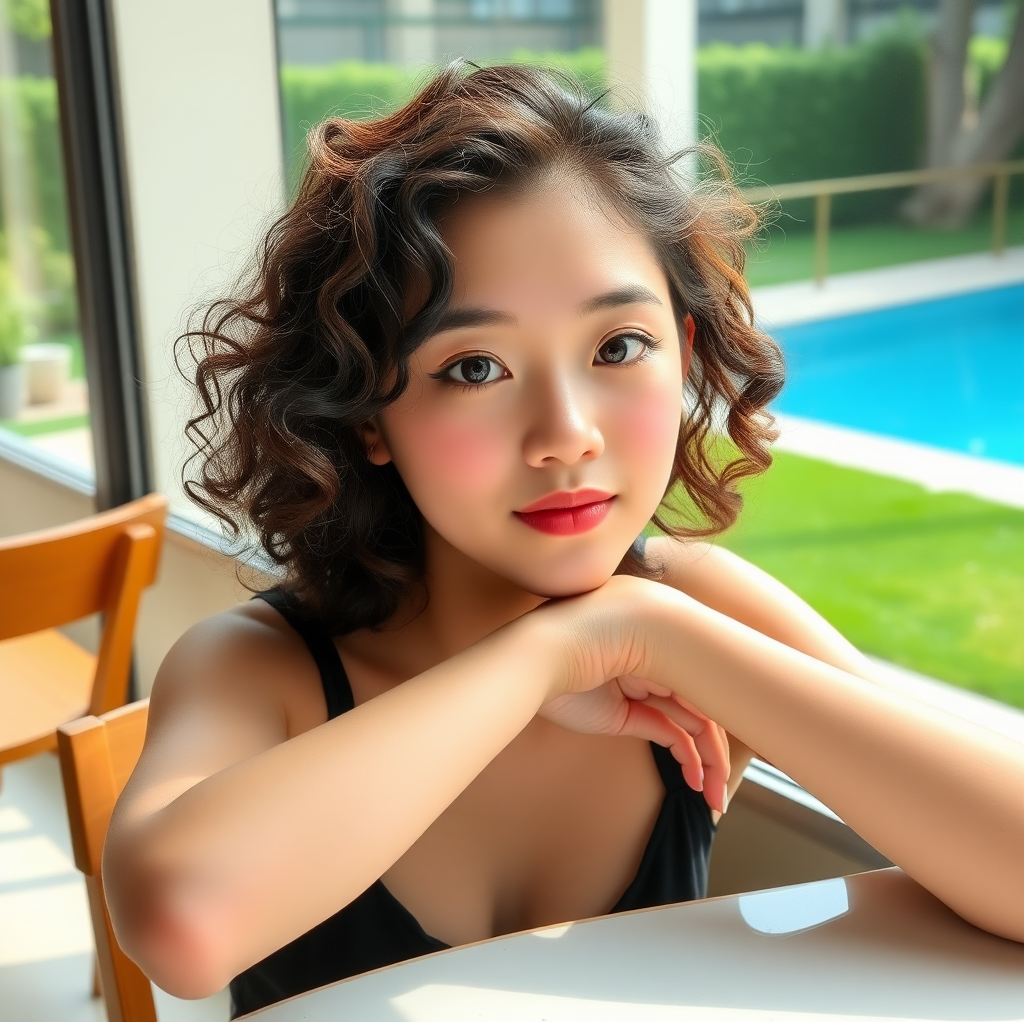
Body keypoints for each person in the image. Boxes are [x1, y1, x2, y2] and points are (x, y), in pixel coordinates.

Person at [103, 64, 1024, 1017]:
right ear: (368, 413)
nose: (565, 432)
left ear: (687, 353)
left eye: (618, 346)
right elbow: (183, 929)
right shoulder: (263, 668)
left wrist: (653, 633)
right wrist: (561, 650)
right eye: (475, 366)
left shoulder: (690, 609)